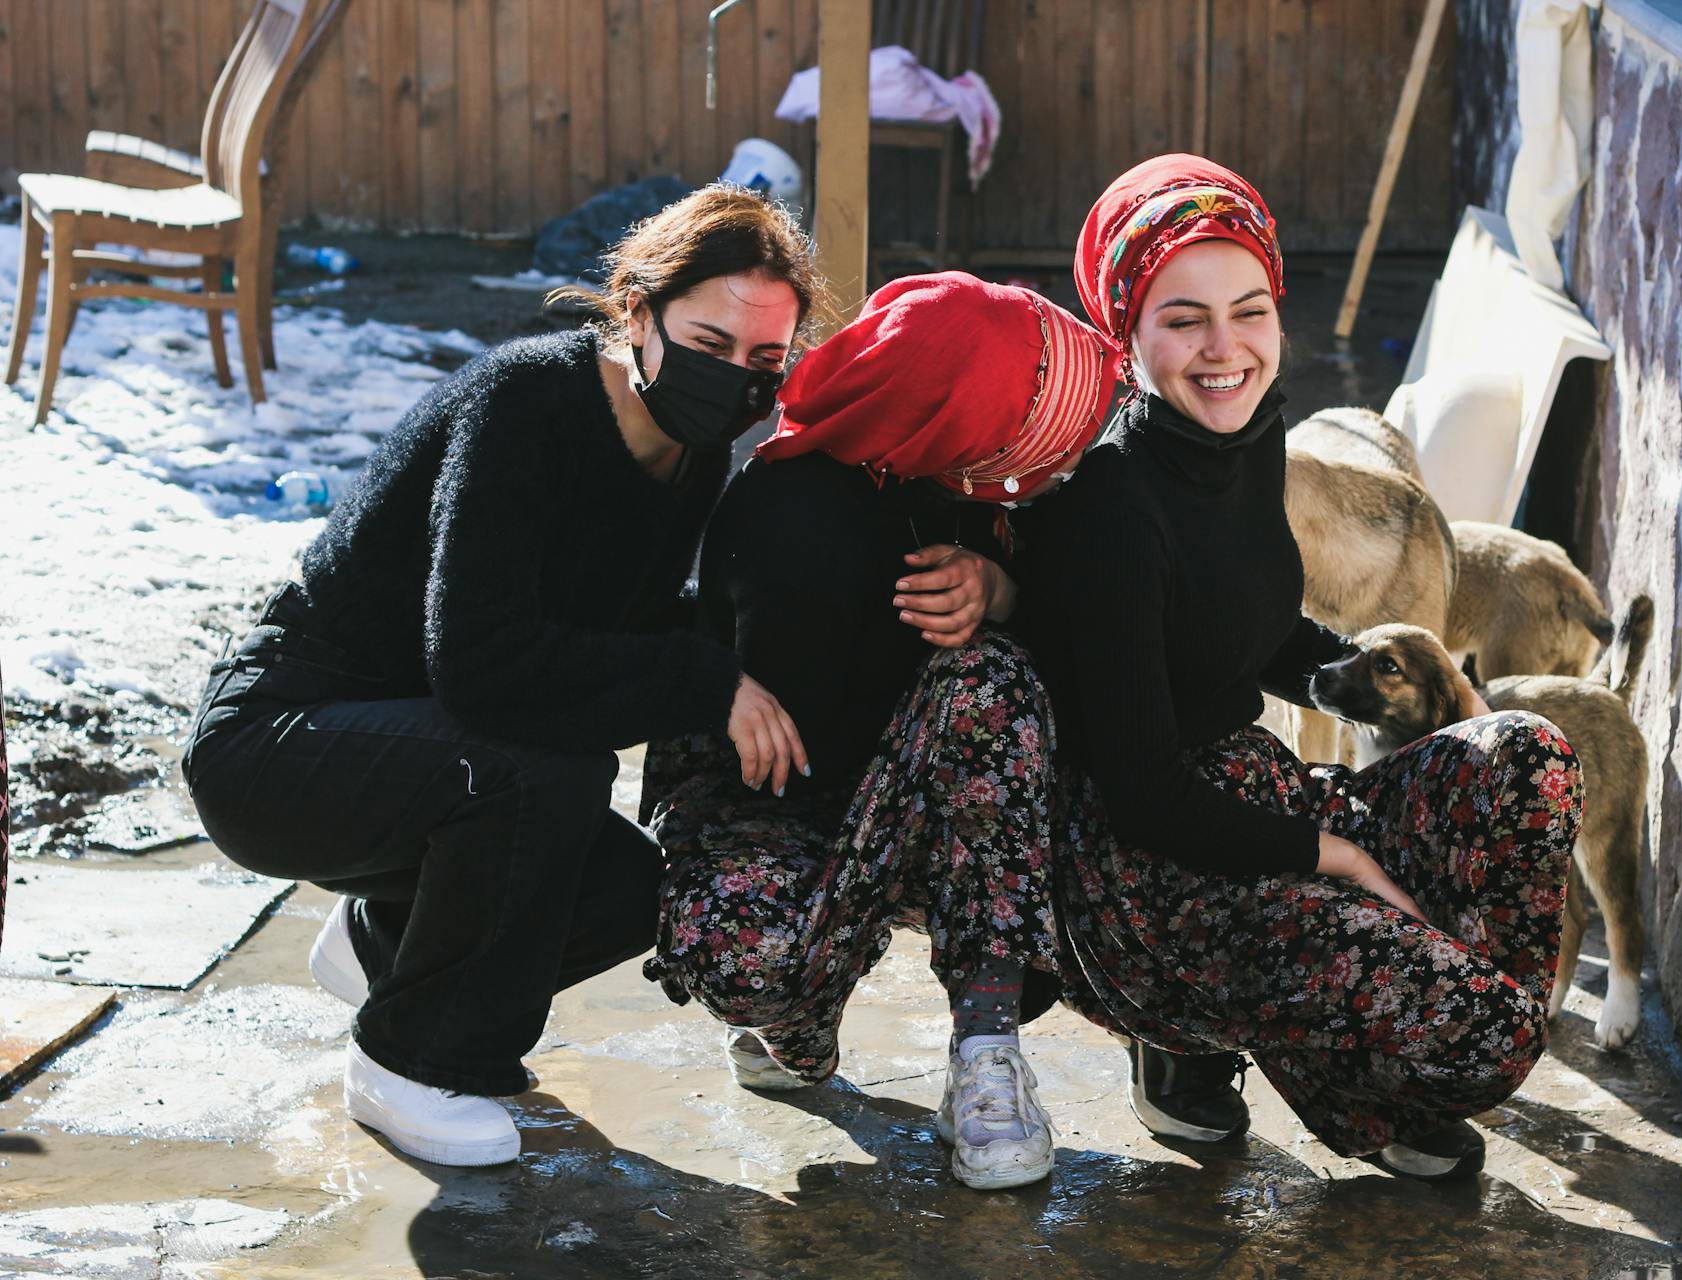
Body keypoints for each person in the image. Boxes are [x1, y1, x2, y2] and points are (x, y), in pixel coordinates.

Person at [182, 185, 821, 1168]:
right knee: (543, 774)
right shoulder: (526, 402)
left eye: (764, 361)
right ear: (639, 314)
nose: (735, 377)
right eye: (711, 339)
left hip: (414, 755)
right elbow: (483, 667)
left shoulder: (688, 458)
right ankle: (412, 1059)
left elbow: (619, 636)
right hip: (278, 742)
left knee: (633, 887)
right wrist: (704, 678)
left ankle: (385, 948)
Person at [1014, 155, 1581, 1180]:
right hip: (1151, 883)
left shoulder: (1246, 435)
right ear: (1125, 330)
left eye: (1251, 309)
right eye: (1184, 319)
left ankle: (1355, 1072)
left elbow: (1252, 622)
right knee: (1488, 1034)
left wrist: (1426, 694)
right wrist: (1341, 856)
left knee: (1524, 755)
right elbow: (1142, 792)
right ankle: (1191, 1034)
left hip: (1256, 793)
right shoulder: (1108, 501)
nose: (1226, 348)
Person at [640, 273, 1121, 1190]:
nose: (1048, 448)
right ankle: (791, 1018)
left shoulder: (965, 490)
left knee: (989, 674)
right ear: (945, 418)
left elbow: (1092, 640)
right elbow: (814, 753)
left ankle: (987, 1048)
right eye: (1022, 417)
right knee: (751, 953)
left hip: (926, 797)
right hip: (781, 799)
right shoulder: (791, 513)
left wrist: (1003, 595)